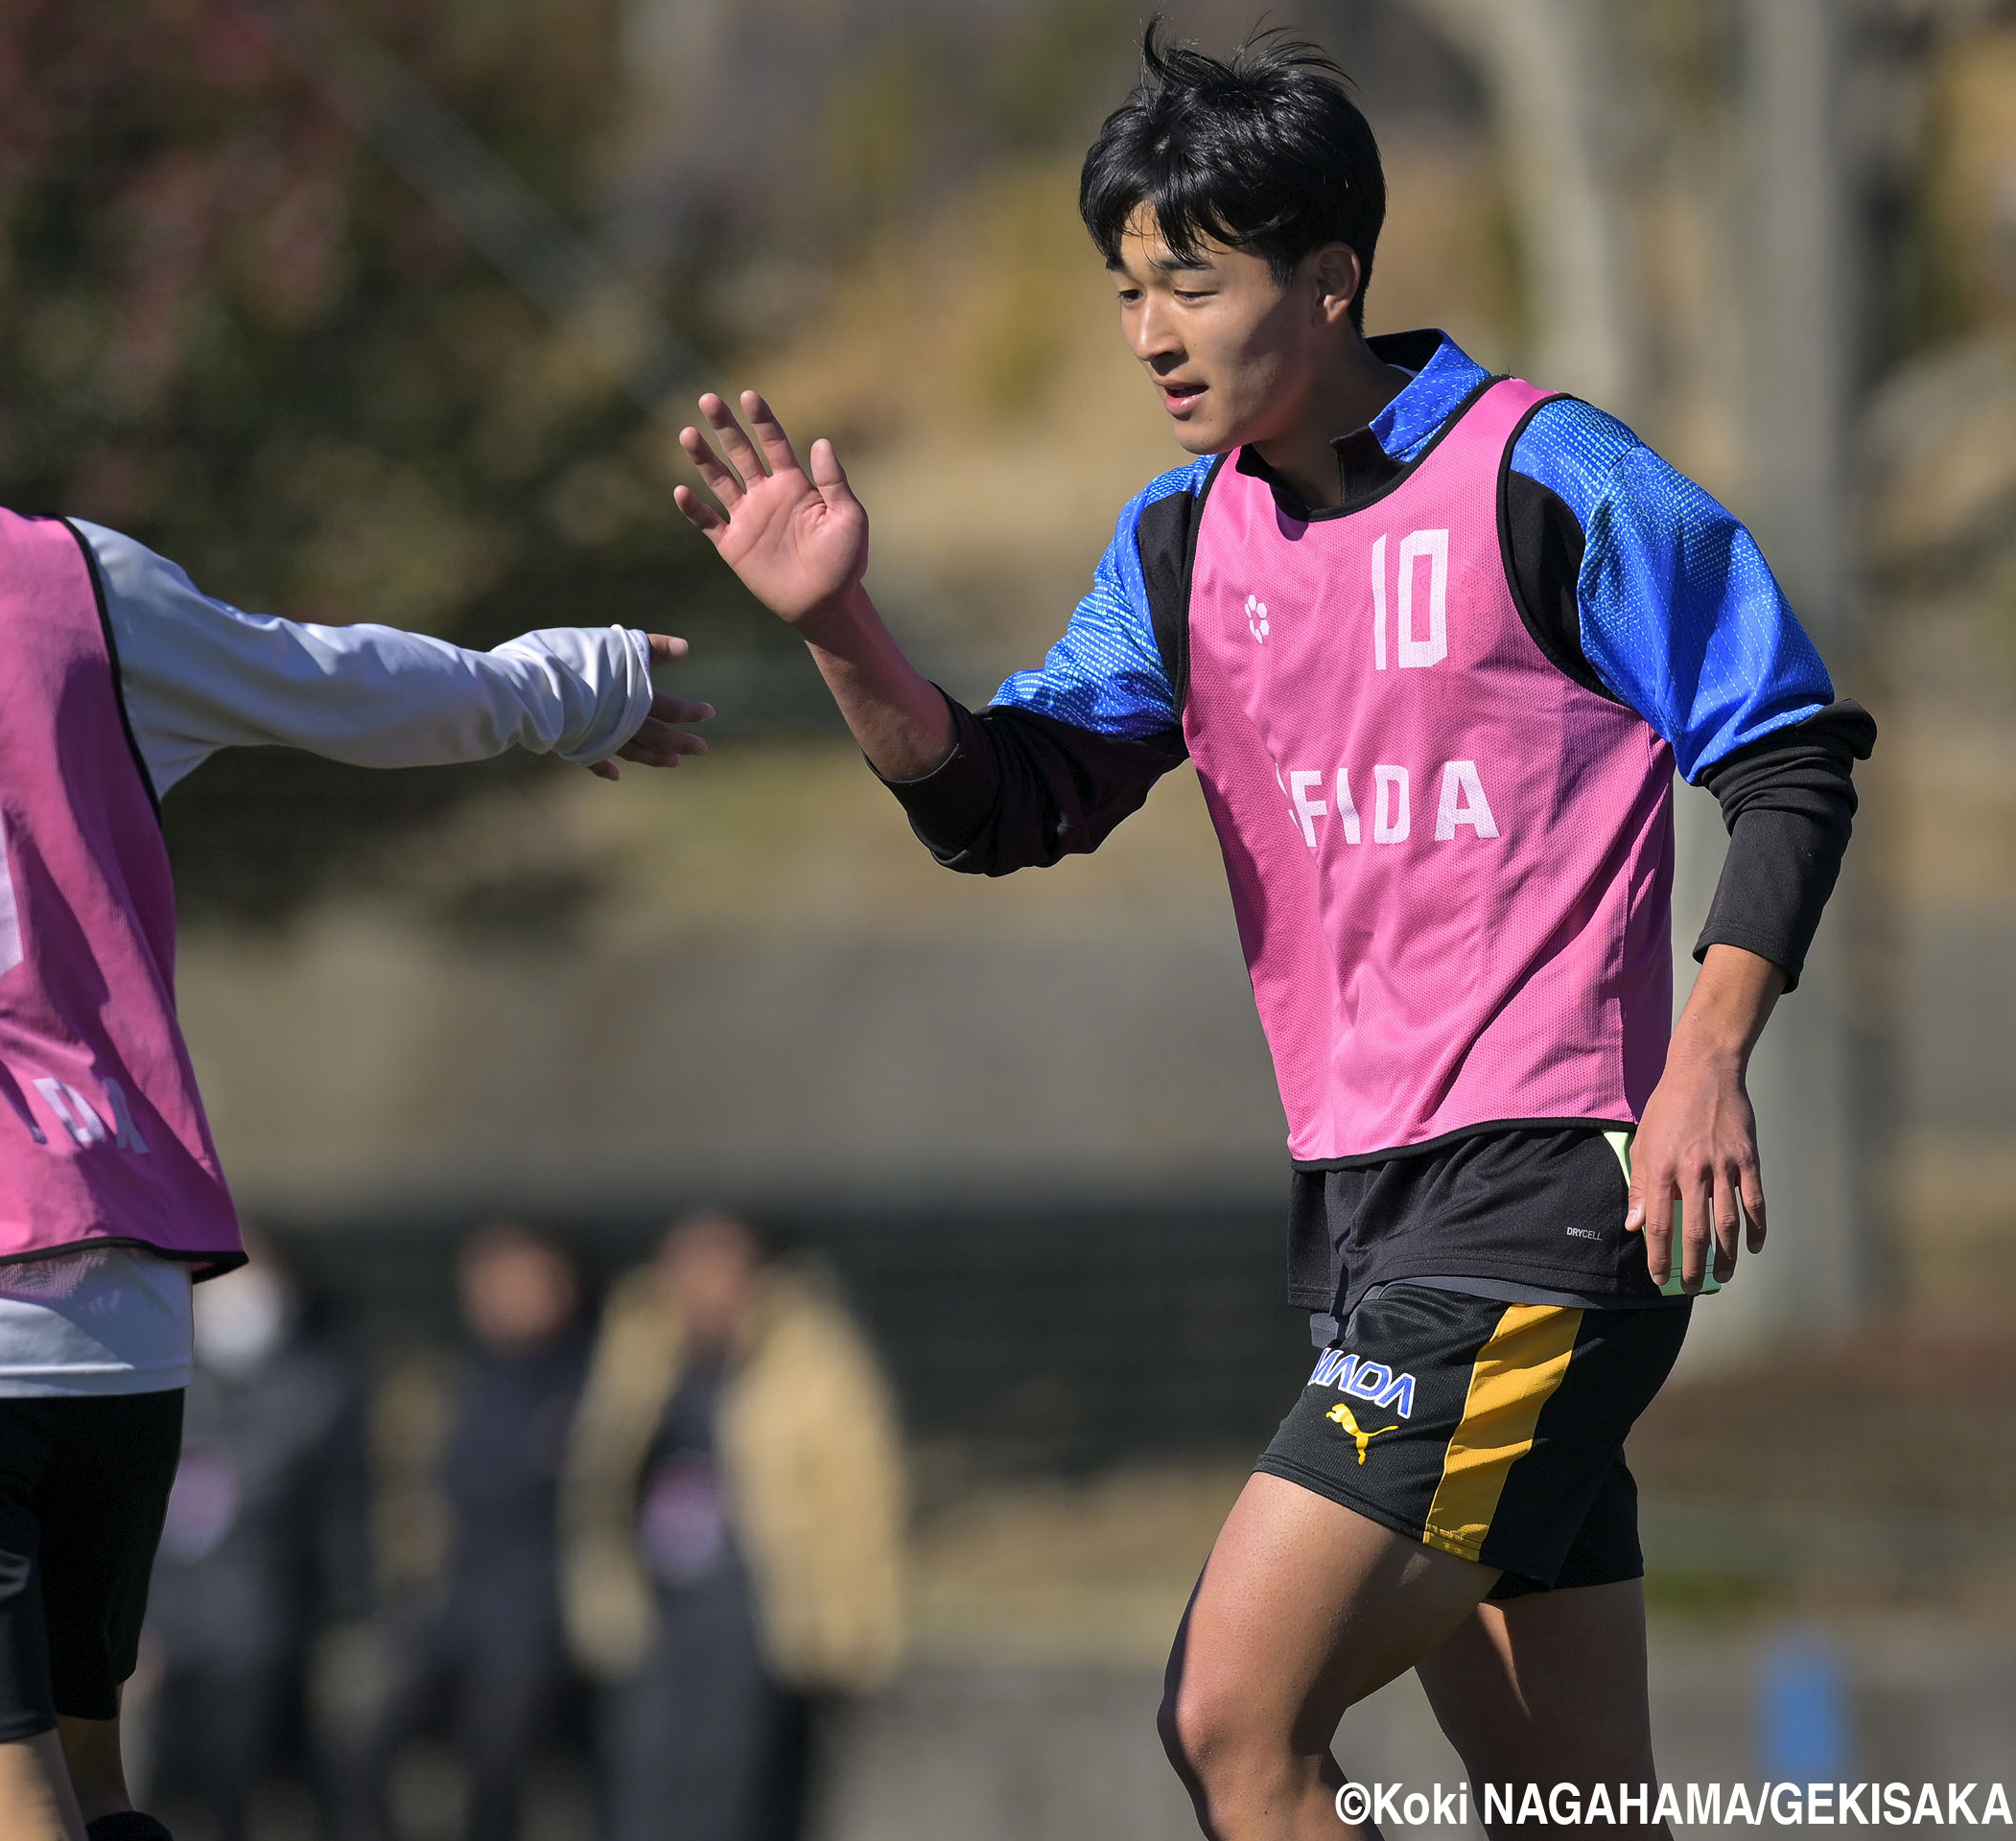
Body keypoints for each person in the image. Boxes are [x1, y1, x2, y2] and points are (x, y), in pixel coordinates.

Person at [670, 29, 1873, 1839]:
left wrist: (1710, 1060)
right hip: (1365, 1224)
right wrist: (847, 628)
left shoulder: (1546, 481)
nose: (1149, 330)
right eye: (1126, 285)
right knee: (1577, 1815)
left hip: (1548, 1202)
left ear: (1331, 278)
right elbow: (1005, 803)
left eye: (1193, 281)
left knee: (1233, 1722)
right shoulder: (1183, 546)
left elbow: (1786, 755)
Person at [0, 138, 712, 1841]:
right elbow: (342, 684)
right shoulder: (67, 577)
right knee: (89, 1791)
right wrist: (573, 686)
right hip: (112, 1316)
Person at [562, 1212, 904, 1841]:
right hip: (657, 1612)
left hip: (757, 1612)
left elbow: (859, 1500)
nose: (699, 1286)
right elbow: (599, 1475)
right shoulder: (641, 1350)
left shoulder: (811, 1358)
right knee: (642, 1786)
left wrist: (856, 1624)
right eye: (683, 1267)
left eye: (716, 1266)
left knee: (738, 1791)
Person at [363, 1223, 593, 1841]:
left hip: (544, 1616)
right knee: (366, 1743)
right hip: (451, 1608)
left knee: (499, 1758)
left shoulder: (595, 1383)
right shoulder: (441, 1382)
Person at [141, 1237, 370, 1840]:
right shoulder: (162, 1380)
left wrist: (349, 1618)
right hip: (168, 1631)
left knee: (245, 1782)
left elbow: (342, 1523)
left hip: (269, 1625)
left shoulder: (318, 1388)